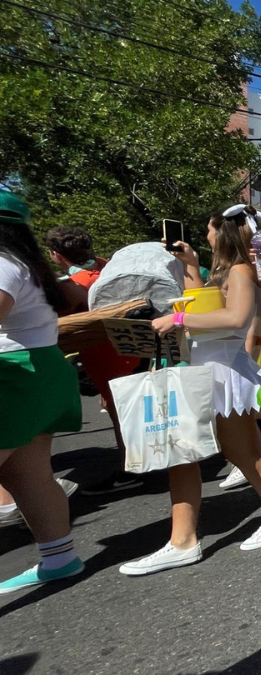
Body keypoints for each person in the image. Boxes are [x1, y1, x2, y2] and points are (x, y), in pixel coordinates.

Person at [127, 210, 261, 576]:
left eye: (208, 230)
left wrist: (177, 319)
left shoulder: (239, 271)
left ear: (223, 233)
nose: (205, 236)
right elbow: (200, 302)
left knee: (242, 453)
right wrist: (190, 266)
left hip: (224, 374)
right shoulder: (226, 271)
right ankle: (184, 538)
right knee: (188, 454)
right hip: (209, 372)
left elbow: (235, 319)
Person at [0, 192, 86, 594]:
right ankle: (59, 556)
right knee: (29, 473)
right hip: (41, 369)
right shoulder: (25, 266)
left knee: (29, 474)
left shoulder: (2, 265)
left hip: (16, 376)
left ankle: (59, 556)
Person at [42, 227, 146, 495]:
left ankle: (130, 469)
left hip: (102, 351)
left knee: (119, 411)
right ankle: (141, 461)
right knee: (130, 405)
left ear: (56, 255)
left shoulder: (72, 285)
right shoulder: (108, 267)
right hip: (129, 343)